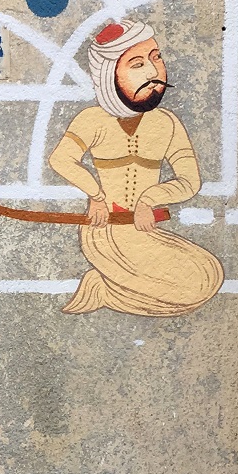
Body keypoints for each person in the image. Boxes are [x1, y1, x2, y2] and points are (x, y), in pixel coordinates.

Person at [45, 19, 223, 316]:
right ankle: (104, 288)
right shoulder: (92, 120)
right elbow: (60, 159)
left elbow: (190, 181)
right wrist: (96, 196)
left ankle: (108, 290)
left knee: (208, 275)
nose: (153, 72)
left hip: (144, 229)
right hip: (105, 229)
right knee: (188, 289)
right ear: (109, 75)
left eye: (156, 57)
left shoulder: (166, 123)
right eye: (137, 64)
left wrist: (149, 200)